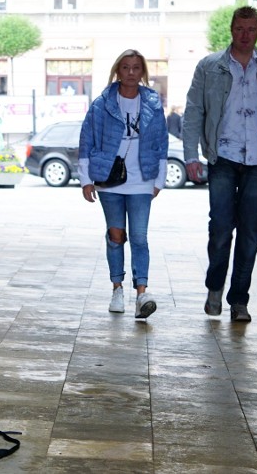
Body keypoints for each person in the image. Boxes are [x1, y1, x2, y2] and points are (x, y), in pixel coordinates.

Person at [183, 5, 257, 323]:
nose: (244, 35)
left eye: (251, 30)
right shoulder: (210, 66)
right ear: (231, 30)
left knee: (251, 233)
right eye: (239, 29)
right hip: (222, 156)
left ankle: (239, 300)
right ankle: (214, 289)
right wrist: (191, 155)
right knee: (221, 230)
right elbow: (194, 110)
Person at [78, 49, 168, 319]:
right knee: (116, 236)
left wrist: (159, 179)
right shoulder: (102, 103)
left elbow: (161, 140)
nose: (131, 72)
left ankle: (142, 294)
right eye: (126, 67)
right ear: (117, 71)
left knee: (139, 236)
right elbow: (87, 139)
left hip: (142, 178)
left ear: (143, 73)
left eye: (136, 68)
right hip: (109, 179)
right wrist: (85, 179)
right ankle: (117, 288)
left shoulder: (152, 102)